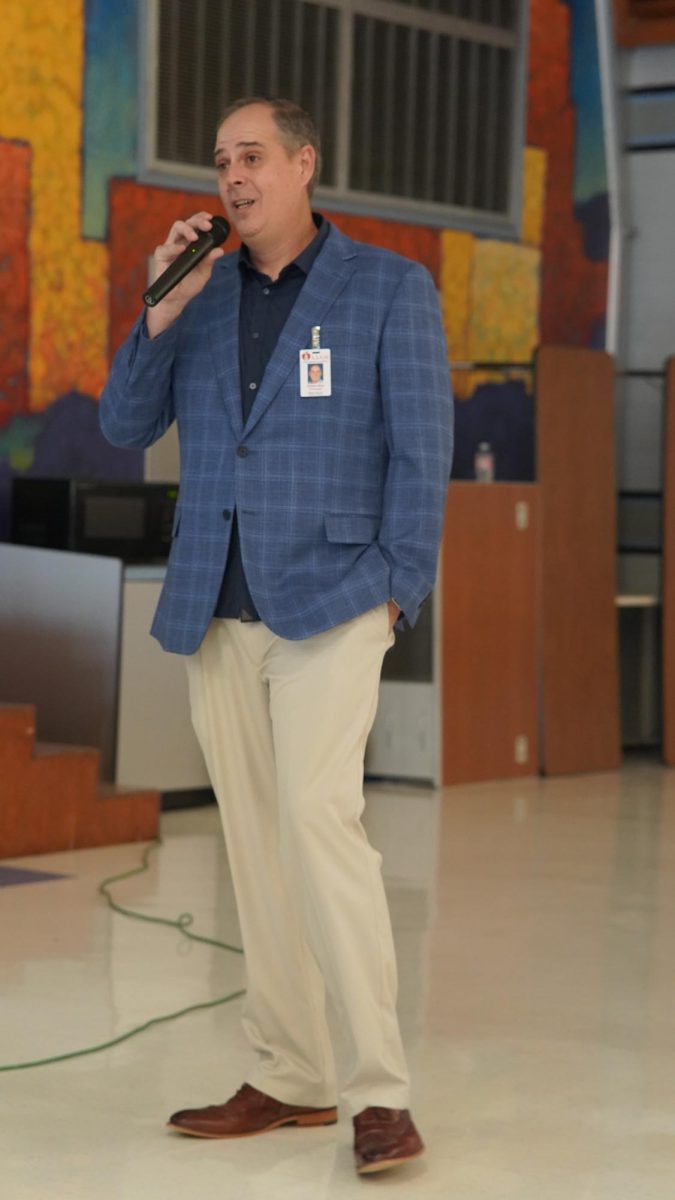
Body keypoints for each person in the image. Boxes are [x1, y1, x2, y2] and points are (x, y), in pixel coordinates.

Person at [100, 97, 453, 1175]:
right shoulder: (196, 297)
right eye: (221, 163)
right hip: (219, 599)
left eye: (252, 157)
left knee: (317, 820)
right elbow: (123, 425)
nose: (233, 179)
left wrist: (398, 586)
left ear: (304, 165)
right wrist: (160, 307)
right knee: (251, 841)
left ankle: (381, 1093)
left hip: (337, 599)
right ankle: (294, 1074)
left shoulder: (389, 288)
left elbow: (423, 450)